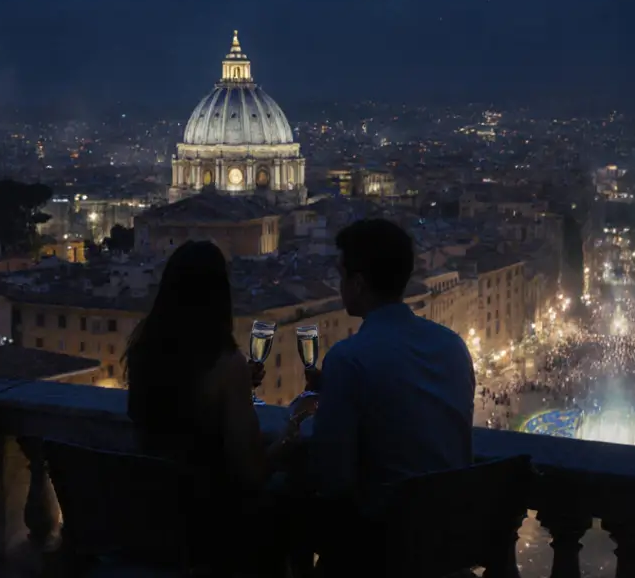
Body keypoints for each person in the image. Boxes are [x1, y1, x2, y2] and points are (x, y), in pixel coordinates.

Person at [124, 240, 299, 575]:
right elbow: (251, 473)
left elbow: (182, 398)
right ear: (221, 295)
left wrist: (233, 385)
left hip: (156, 519)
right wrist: (288, 440)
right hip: (214, 530)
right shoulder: (226, 363)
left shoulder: (143, 351)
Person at [307, 219, 476, 563]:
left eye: (341, 277)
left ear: (357, 284)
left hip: (384, 549)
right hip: (446, 542)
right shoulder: (453, 346)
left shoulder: (348, 358)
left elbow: (334, 478)